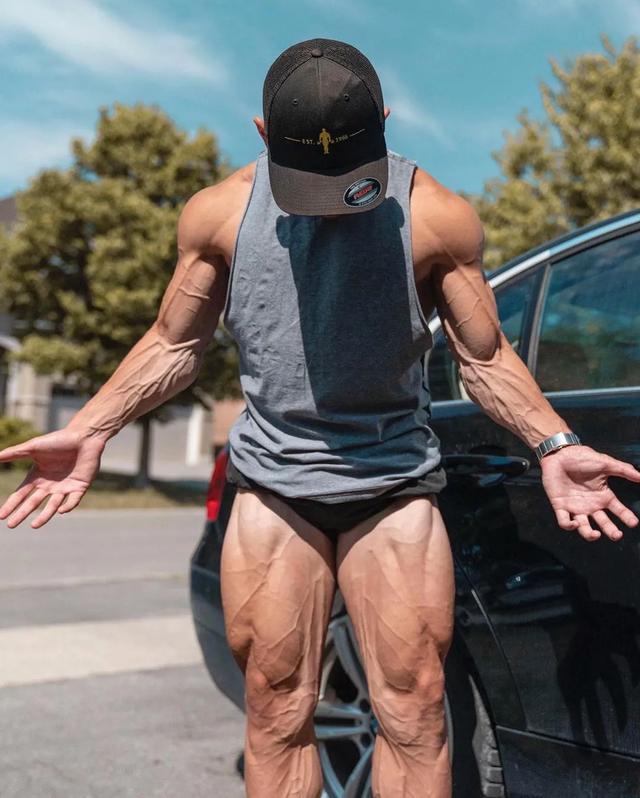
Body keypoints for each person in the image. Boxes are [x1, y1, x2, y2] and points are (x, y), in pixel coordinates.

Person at [0, 38, 638, 798]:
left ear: (385, 124)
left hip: (392, 483)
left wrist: (553, 442)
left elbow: (485, 356)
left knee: (415, 711)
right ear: (264, 134)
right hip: (275, 485)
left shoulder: (436, 217)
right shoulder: (218, 215)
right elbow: (175, 341)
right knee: (276, 708)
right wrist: (93, 426)